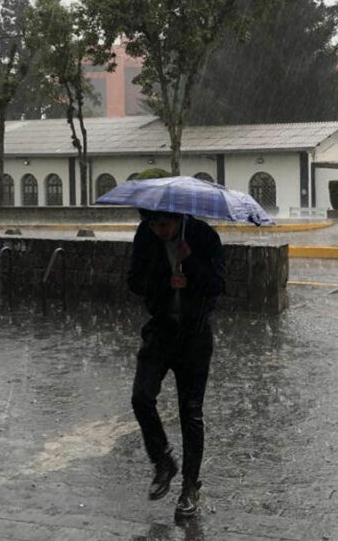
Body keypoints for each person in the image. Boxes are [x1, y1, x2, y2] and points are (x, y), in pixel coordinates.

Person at [127, 210, 226, 518]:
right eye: (154, 224)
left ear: (179, 217)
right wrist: (165, 281)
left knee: (191, 413)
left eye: (165, 225)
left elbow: (218, 284)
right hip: (160, 331)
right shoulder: (146, 235)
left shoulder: (204, 236)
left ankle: (189, 487)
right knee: (141, 398)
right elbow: (134, 282)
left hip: (194, 335)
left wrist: (191, 263)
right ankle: (163, 460)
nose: (160, 230)